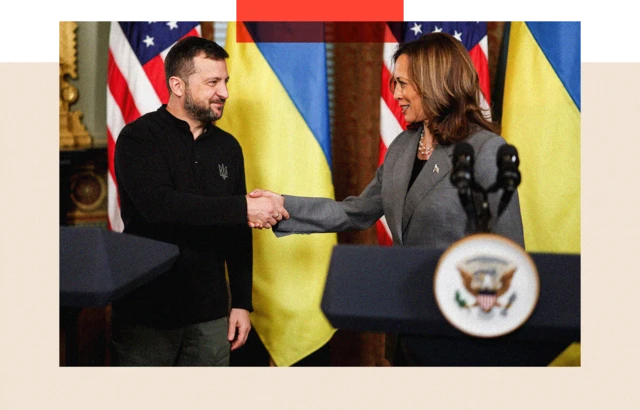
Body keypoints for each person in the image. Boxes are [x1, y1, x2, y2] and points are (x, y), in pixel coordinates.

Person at [248, 32, 524, 365]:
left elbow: (509, 252)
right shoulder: (403, 148)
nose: (396, 94)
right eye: (394, 84)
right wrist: (282, 206)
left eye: (403, 84)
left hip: (461, 326)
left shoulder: (485, 150)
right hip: (404, 318)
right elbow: (355, 211)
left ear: (434, 83)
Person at [111, 36, 288, 366]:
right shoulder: (138, 138)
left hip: (210, 314)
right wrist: (243, 208)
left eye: (225, 81)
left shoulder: (228, 147)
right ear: (178, 85)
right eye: (212, 82)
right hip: (146, 311)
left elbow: (237, 233)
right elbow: (159, 207)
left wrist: (241, 303)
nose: (225, 92)